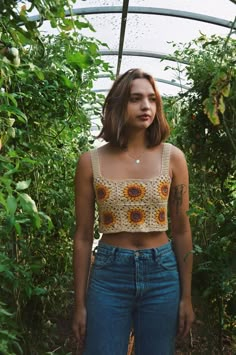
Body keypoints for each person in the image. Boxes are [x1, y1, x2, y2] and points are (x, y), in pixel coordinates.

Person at [72, 68, 195, 355]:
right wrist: (79, 303)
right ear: (117, 105)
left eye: (152, 99)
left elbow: (182, 229)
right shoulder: (91, 162)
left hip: (162, 274)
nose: (146, 106)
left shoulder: (173, 158)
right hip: (109, 274)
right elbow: (81, 237)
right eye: (135, 99)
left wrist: (186, 297)